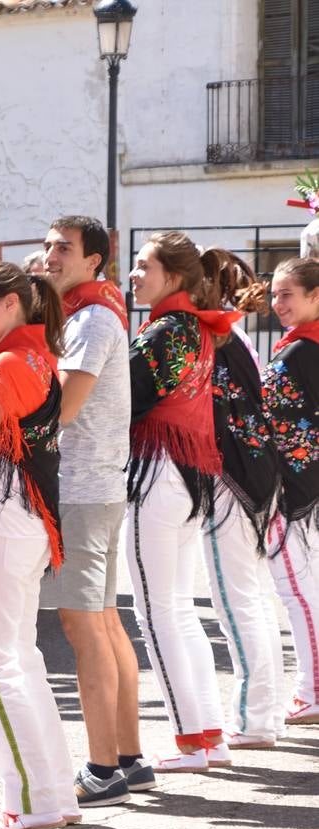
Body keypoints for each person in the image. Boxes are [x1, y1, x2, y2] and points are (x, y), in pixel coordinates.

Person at [37, 216, 150, 806]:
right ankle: (127, 757)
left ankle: (103, 769)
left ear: (93, 262)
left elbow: (64, 409)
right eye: (49, 244)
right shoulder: (96, 312)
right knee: (103, 621)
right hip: (97, 487)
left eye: (64, 249)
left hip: (83, 489)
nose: (50, 256)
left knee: (84, 625)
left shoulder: (89, 319)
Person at [0, 261, 77, 829]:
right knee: (19, 658)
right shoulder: (35, 355)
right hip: (27, 520)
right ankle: (54, 790)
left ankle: (33, 799)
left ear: (12, 304)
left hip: (7, 519)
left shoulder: (9, 363)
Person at [125, 231, 240, 772]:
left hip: (159, 474)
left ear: (172, 277)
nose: (133, 274)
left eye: (143, 265)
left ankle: (192, 741)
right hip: (188, 474)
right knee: (177, 611)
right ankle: (208, 735)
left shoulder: (166, 331)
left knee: (156, 611)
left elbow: (125, 399)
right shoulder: (194, 327)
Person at [198, 253, 287, 748]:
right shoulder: (234, 335)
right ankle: (264, 716)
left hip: (232, 476)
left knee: (236, 601)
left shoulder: (217, 338)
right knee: (249, 598)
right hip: (254, 472)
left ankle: (255, 719)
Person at [261, 257, 319, 727]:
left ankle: (312, 691)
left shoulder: (300, 353)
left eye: (287, 295)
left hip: (298, 492)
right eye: (274, 293)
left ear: (315, 296)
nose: (276, 303)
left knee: (299, 592)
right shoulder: (301, 348)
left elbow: (276, 427)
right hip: (305, 488)